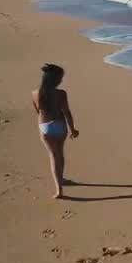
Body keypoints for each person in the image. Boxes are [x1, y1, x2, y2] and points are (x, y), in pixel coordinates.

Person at [31, 63, 79, 198]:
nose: (61, 80)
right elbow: (67, 112)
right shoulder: (61, 93)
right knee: (60, 154)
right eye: (60, 78)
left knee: (53, 156)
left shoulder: (35, 93)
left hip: (45, 126)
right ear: (55, 79)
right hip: (60, 125)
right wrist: (73, 129)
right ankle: (61, 181)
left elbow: (37, 111)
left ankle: (59, 188)